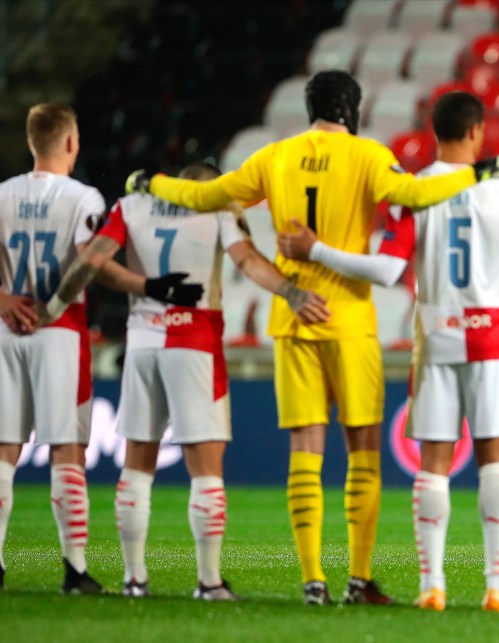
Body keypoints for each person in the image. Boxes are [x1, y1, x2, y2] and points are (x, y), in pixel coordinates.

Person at [122, 69, 499, 606]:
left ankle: (313, 579)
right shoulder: (367, 156)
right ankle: (359, 580)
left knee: (304, 453)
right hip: (350, 319)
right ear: (352, 110)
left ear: (310, 107)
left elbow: (208, 195)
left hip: (292, 320)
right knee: (363, 452)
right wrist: (479, 173)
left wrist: (150, 183)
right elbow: (414, 190)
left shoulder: (275, 156)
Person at [277, 90, 499, 612]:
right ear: (476, 133)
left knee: (434, 464)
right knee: (496, 461)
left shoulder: (411, 190)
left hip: (436, 336)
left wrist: (316, 251)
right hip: (493, 337)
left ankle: (432, 586)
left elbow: (387, 269)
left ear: (434, 133)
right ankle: (497, 586)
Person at [41, 162, 328, 600]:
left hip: (142, 341)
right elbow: (247, 260)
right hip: (194, 341)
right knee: (206, 468)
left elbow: (91, 261)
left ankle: (134, 579)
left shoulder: (132, 204)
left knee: (136, 465)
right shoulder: (217, 207)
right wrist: (291, 292)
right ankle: (209, 581)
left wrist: (56, 304)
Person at [0, 103, 194, 594]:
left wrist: (3, 298)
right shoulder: (83, 197)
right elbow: (95, 262)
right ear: (70, 142)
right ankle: (74, 569)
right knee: (67, 448)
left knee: (4, 450)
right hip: (59, 330)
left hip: (6, 330)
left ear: (31, 142)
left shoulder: (2, 194)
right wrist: (151, 285)